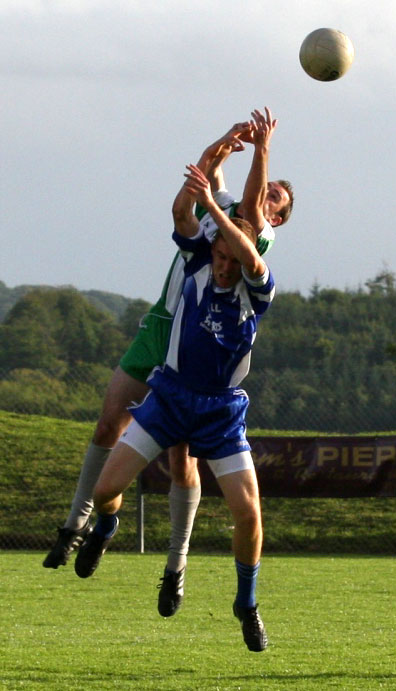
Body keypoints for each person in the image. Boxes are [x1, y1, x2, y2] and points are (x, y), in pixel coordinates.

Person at [43, 110, 293, 593]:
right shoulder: (217, 220)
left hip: (198, 354)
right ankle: (80, 525)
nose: (265, 197)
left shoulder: (258, 237)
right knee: (107, 422)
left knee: (183, 462)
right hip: (166, 325)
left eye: (274, 197)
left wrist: (261, 153)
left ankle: (175, 566)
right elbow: (205, 181)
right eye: (266, 189)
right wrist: (224, 142)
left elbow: (244, 208)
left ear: (277, 216)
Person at [74, 156, 276, 653]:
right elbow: (180, 217)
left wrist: (224, 193)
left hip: (220, 411)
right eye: (220, 259)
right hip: (170, 396)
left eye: (232, 259)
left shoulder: (256, 289)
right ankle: (107, 525)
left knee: (248, 513)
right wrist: (202, 185)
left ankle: (246, 604)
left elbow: (251, 256)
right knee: (105, 491)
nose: (225, 268)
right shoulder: (199, 261)